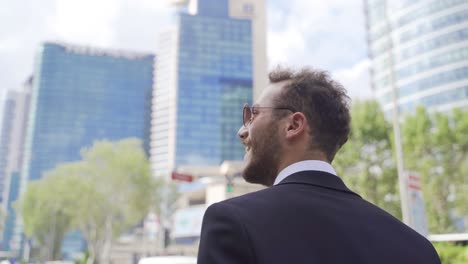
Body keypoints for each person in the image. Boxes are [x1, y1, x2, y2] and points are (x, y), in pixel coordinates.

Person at [197, 67, 441, 264]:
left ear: (293, 125)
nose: (242, 131)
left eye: (254, 115)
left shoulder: (232, 223)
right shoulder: (417, 248)